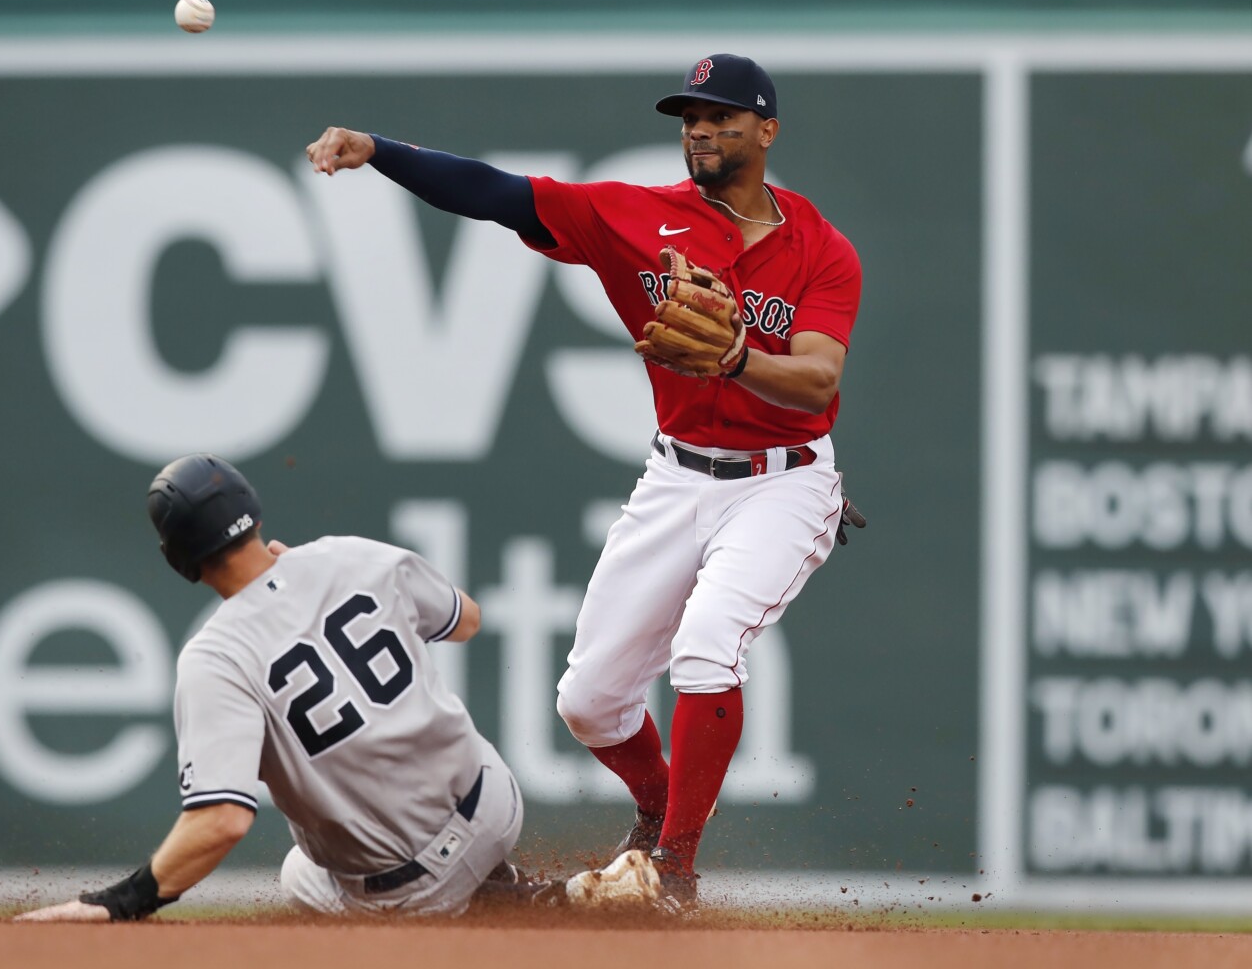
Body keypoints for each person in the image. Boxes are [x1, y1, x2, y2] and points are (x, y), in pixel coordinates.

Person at [306, 53, 865, 909]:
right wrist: (377, 149)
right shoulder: (635, 217)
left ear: (766, 130)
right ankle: (654, 813)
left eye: (720, 116)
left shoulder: (823, 250)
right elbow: (495, 194)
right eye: (689, 118)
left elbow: (820, 380)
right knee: (589, 703)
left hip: (783, 482)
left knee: (708, 644)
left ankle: (672, 873)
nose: (701, 130)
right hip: (678, 472)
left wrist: (737, 355)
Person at [16, 453, 530, 920]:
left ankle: (473, 915)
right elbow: (467, 620)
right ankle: (506, 886)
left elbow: (222, 821)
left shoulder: (217, 657)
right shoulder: (349, 556)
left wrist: (117, 905)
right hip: (497, 804)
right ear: (254, 513)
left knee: (300, 874)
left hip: (416, 888)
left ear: (181, 562)